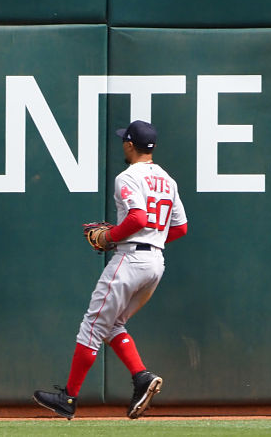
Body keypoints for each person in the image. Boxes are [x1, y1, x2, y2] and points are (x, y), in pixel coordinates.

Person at [33, 120, 188, 419]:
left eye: (124, 142)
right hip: (156, 263)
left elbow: (138, 218)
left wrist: (110, 237)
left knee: (92, 326)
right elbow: (180, 228)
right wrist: (152, 240)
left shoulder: (127, 176)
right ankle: (141, 377)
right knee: (113, 324)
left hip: (130, 260)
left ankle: (68, 398)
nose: (123, 146)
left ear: (130, 144)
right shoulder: (168, 180)